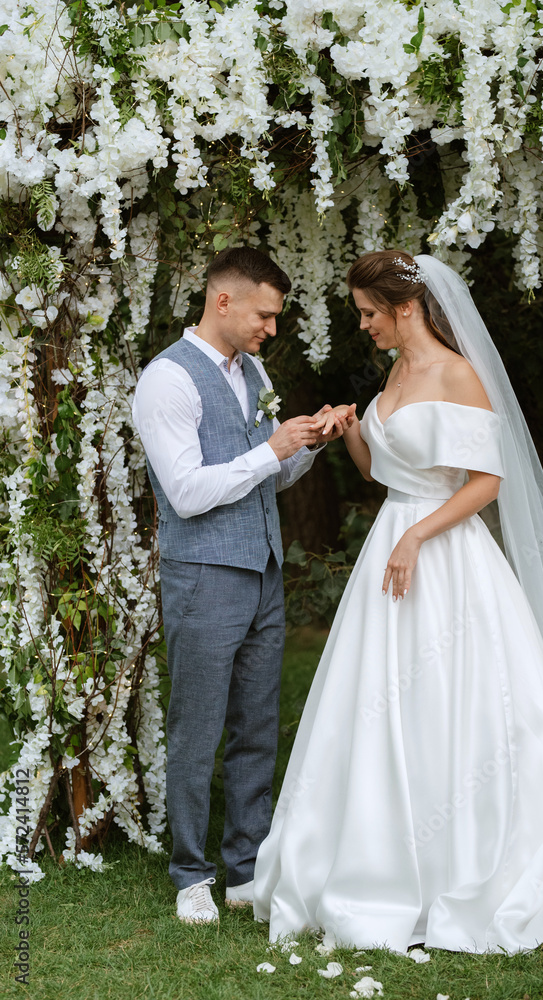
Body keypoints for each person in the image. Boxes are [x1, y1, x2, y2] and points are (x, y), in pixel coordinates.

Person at [253, 249, 543, 964]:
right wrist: (351, 429)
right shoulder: (395, 372)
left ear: (405, 307)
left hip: (444, 556)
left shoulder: (458, 374)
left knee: (463, 701)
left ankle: (472, 860)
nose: (363, 326)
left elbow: (485, 482)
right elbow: (387, 472)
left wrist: (417, 533)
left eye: (368, 313)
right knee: (381, 702)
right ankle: (383, 857)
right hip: (395, 551)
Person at [132, 246, 352, 923]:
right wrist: (271, 449)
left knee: (257, 727)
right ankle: (191, 874)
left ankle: (245, 869)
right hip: (203, 577)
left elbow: (268, 475)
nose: (272, 329)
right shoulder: (167, 381)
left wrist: (312, 443)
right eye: (264, 314)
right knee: (198, 729)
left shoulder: (252, 371)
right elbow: (190, 492)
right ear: (221, 300)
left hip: (262, 573)